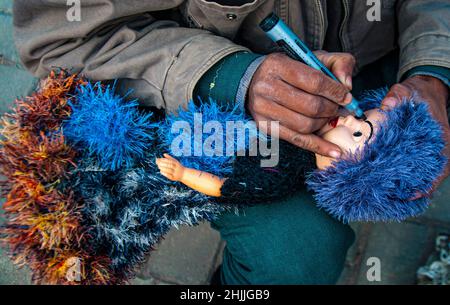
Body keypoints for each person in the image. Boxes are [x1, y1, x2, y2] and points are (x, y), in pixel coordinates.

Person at [13, 0, 450, 284]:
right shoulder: (271, 164)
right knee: (296, 255)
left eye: (360, 129)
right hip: (180, 98)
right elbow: (61, 39)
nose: (353, 116)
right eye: (363, 125)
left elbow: (232, 185)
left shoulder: (283, 169)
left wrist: (434, 68)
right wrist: (229, 76)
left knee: (300, 256)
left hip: (382, 60)